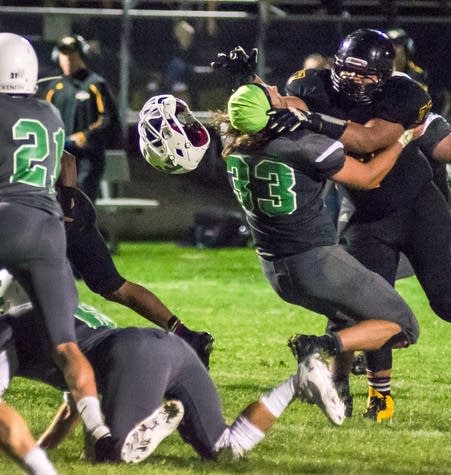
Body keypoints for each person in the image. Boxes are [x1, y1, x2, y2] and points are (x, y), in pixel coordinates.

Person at [281, 28, 451, 422]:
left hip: (420, 208)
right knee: (373, 308)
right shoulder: (314, 87)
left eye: (368, 75)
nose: (358, 81)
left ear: (384, 77)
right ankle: (381, 395)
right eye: (351, 71)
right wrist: (258, 90)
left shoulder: (404, 96)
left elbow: (367, 140)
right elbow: (285, 103)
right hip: (367, 217)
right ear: (336, 67)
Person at [210, 81, 425, 400]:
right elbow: (369, 177)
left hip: (275, 269)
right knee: (404, 327)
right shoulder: (302, 145)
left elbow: (246, 114)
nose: (274, 86)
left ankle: (336, 390)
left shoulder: (235, 142)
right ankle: (319, 347)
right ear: (270, 112)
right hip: (316, 262)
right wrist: (403, 138)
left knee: (347, 315)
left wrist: (249, 83)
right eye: (271, 93)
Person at [0, 295, 346, 463]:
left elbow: (79, 385)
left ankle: (152, 419)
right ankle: (297, 383)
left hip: (136, 357)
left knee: (108, 455)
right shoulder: (53, 309)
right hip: (170, 350)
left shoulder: (11, 328)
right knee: (225, 451)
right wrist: (42, 449)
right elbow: (72, 406)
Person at [0, 32, 112, 457]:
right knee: (65, 343)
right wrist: (65, 202)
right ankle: (99, 428)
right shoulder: (49, 112)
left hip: (5, 217)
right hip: (47, 229)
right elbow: (66, 160)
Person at [57, 145, 213, 367]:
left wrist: (66, 206)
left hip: (51, 215)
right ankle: (187, 336)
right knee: (114, 286)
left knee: (34, 284)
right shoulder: (30, 120)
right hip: (70, 211)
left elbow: (67, 160)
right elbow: (68, 160)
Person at [43, 34, 121, 203]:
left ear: (82, 55)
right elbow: (44, 120)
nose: (68, 59)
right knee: (59, 207)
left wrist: (85, 136)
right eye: (64, 54)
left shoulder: (95, 84)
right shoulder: (54, 88)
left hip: (88, 159)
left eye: (73, 54)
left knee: (81, 205)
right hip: (60, 158)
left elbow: (108, 120)